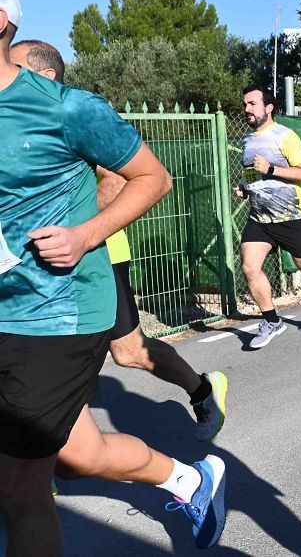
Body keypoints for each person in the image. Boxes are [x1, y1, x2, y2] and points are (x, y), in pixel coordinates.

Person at [0, 0, 225, 554]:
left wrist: (84, 235)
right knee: (76, 459)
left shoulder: (65, 108)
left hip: (56, 313)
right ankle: (190, 478)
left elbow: (154, 178)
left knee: (20, 488)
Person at [10, 39, 228, 443]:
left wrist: (76, 226)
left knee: (128, 352)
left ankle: (201, 390)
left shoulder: (65, 114)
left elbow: (122, 178)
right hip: (39, 265)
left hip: (96, 252)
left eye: (15, 66)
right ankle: (43, 468)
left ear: (45, 75)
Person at [235, 86, 301, 349]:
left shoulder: (285, 136)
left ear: (269, 107)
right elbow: (254, 175)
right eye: (245, 104)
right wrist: (246, 188)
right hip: (260, 218)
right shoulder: (247, 139)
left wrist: (270, 168)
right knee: (249, 266)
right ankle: (271, 320)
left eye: (252, 104)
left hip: (291, 216)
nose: (247, 109)